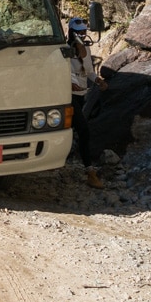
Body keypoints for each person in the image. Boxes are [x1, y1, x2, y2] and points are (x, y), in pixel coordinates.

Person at [67, 17, 105, 188]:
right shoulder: (65, 51)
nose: (83, 35)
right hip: (69, 95)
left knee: (74, 129)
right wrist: (71, 81)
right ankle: (90, 171)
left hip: (82, 93)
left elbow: (88, 71)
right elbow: (67, 73)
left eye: (84, 32)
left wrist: (97, 80)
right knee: (83, 129)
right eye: (80, 33)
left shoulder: (86, 51)